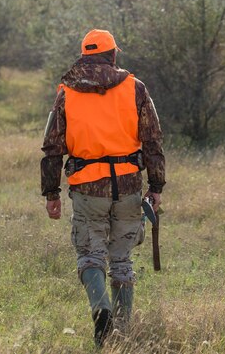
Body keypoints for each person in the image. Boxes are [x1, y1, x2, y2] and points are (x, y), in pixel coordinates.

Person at [40, 29, 165, 347]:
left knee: (90, 254)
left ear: (84, 56)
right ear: (112, 55)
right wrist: (157, 185)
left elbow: (52, 146)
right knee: (121, 259)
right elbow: (153, 139)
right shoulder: (135, 88)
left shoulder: (67, 92)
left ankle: (101, 309)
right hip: (127, 186)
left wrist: (52, 194)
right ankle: (121, 333)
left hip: (86, 188)